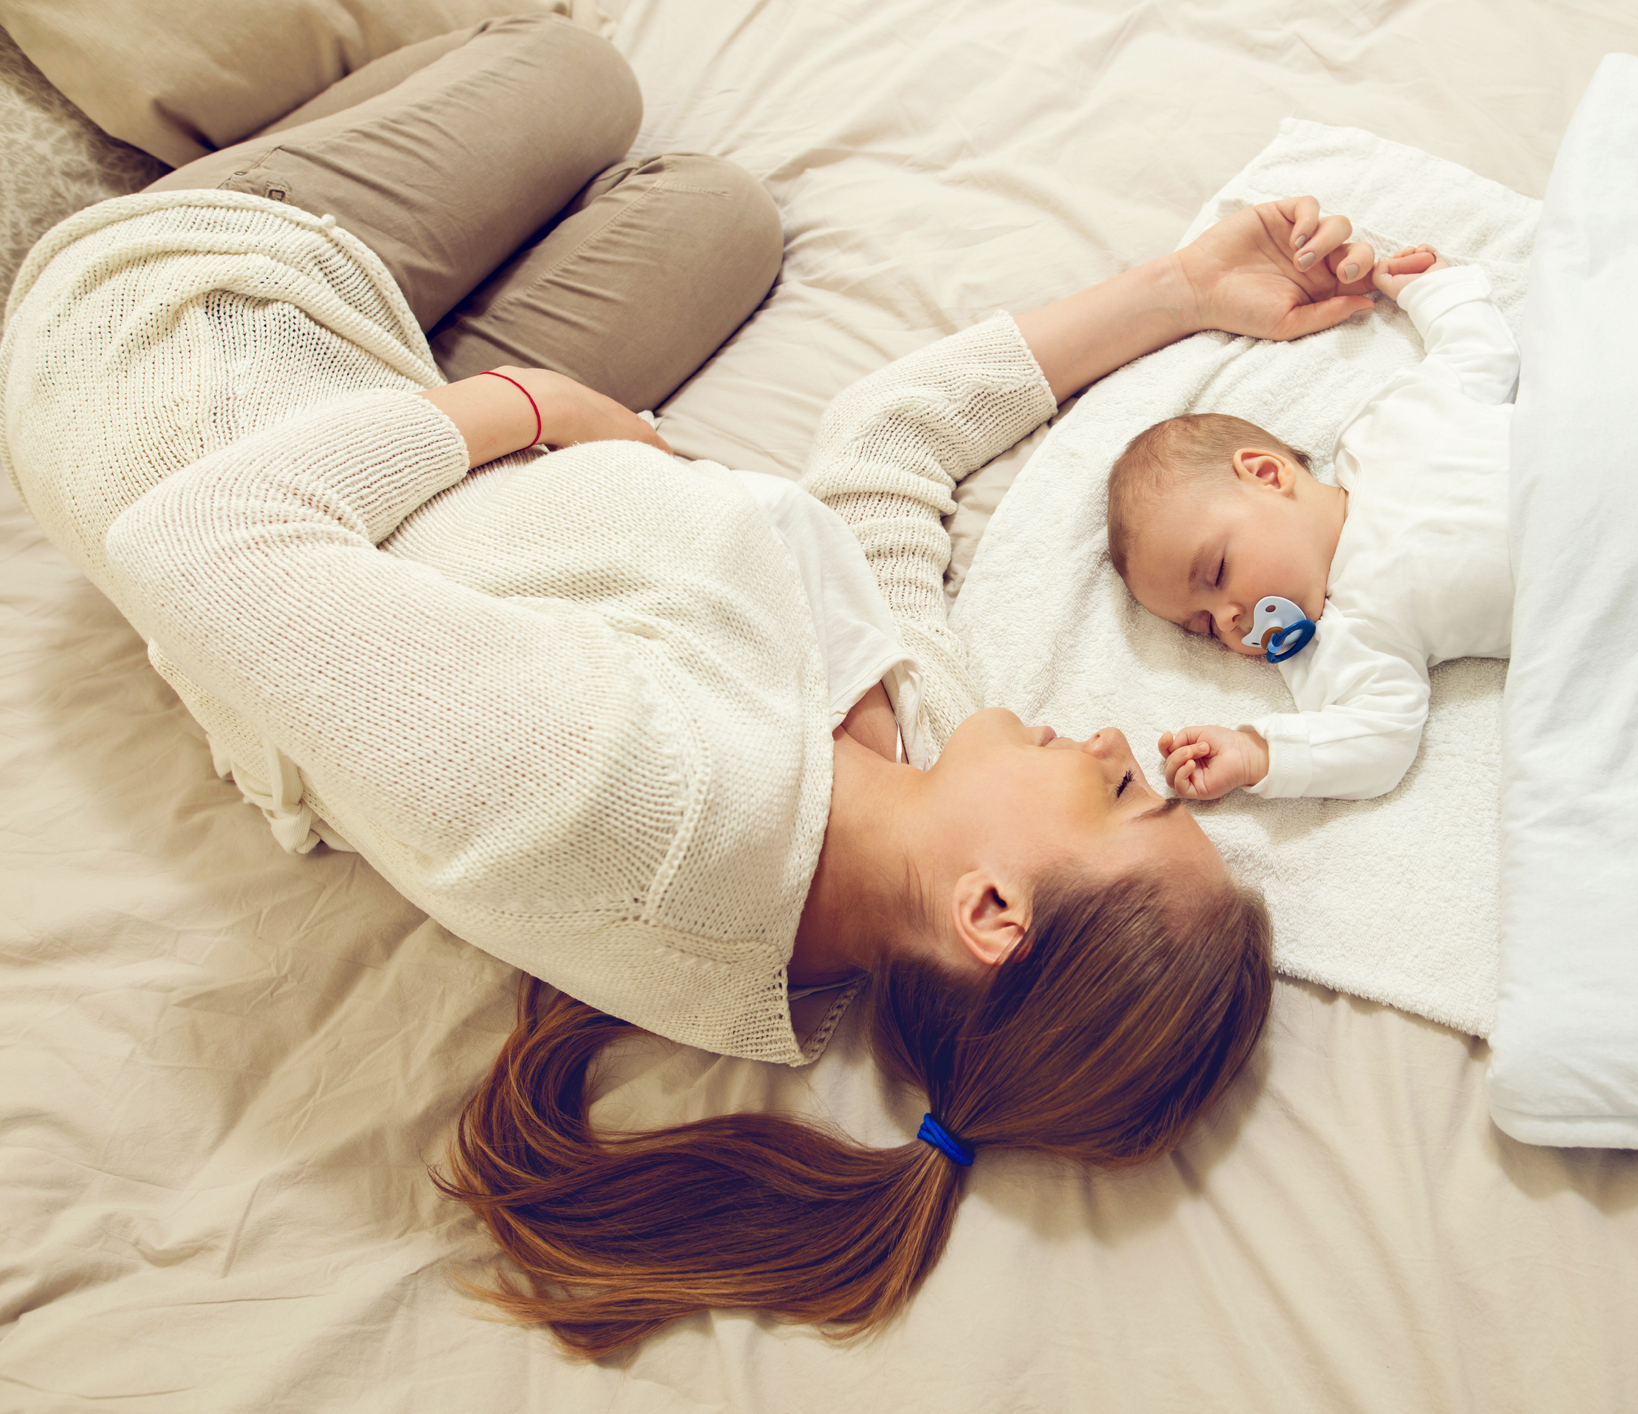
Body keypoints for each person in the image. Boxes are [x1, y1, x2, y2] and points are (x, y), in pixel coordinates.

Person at [0, 14, 1397, 1352]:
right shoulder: (905, 797)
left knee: (568, 68)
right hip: (468, 473)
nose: (1104, 738)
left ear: (991, 911)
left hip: (190, 355)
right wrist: (1187, 293)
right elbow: (888, 456)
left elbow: (188, 543)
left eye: (1116, 793)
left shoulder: (619, 791)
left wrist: (546, 408)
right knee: (719, 214)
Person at [1104, 251, 1520, 801]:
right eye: (1204, 627)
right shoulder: (1346, 637)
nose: (1230, 620)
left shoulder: (1384, 429)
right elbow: (1378, 742)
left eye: (1219, 570)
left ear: (1267, 473)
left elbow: (1479, 357)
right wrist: (1260, 753)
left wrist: (1437, 290)